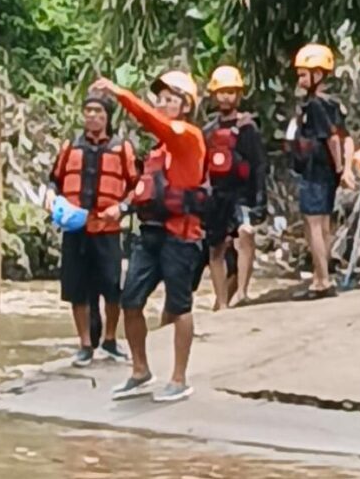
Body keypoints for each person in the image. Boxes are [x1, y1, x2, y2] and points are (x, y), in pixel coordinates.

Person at [91, 71, 206, 402]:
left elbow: (153, 121)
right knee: (130, 300)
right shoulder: (158, 151)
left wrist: (119, 93)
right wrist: (122, 207)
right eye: (161, 98)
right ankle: (140, 370)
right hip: (151, 235)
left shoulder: (187, 136)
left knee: (179, 305)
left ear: (185, 106)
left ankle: (179, 378)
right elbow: (145, 188)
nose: (162, 104)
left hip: (180, 236)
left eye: (170, 99)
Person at [49, 89, 137, 367]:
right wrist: (51, 199)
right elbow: (54, 181)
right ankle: (85, 344)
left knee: (112, 287)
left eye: (99, 112)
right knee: (77, 289)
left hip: (107, 230)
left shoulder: (122, 148)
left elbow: (138, 186)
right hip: (76, 229)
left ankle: (110, 339)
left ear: (108, 117)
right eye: (88, 111)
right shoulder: (70, 147)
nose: (93, 116)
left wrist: (121, 208)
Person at [286, 44, 355, 300]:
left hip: (316, 171)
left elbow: (334, 139)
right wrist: (341, 170)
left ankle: (323, 279)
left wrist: (340, 168)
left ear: (318, 75)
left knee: (314, 225)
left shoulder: (316, 105)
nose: (300, 79)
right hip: (324, 172)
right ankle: (320, 275)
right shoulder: (331, 103)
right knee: (323, 225)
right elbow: (344, 136)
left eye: (304, 74)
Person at [203, 65, 268, 309]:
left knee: (245, 235)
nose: (225, 97)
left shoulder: (247, 127)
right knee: (216, 248)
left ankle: (242, 291)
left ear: (238, 95)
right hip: (217, 194)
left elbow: (258, 163)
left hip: (242, 193)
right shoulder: (208, 131)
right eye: (221, 92)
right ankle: (221, 301)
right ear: (214, 95)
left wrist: (260, 198)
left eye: (231, 92)